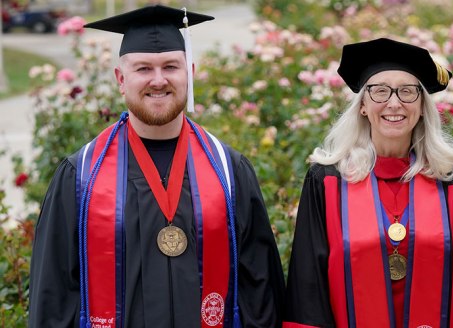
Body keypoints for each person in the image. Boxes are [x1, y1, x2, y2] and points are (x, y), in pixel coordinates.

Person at [28, 5, 284, 327]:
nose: (159, 80)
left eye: (170, 67)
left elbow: (260, 294)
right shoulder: (81, 177)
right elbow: (52, 300)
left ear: (189, 72)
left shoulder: (229, 171)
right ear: (121, 79)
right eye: (144, 68)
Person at [282, 38, 453, 328]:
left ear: (421, 106)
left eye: (407, 92)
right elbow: (309, 288)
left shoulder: (452, 183)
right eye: (380, 91)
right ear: (363, 105)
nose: (394, 103)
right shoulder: (328, 182)